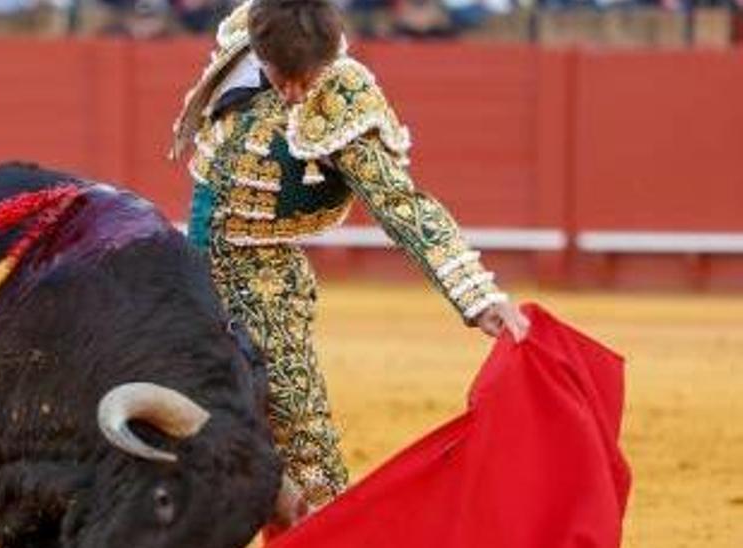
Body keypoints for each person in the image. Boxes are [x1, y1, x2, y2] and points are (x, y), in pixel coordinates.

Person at [169, 0, 531, 529]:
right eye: (280, 75)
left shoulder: (343, 99)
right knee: (178, 434)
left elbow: (401, 205)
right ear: (257, 49)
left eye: (305, 77)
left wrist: (477, 295)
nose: (294, 91)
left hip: (263, 286)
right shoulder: (246, 33)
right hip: (188, 277)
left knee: (304, 447)